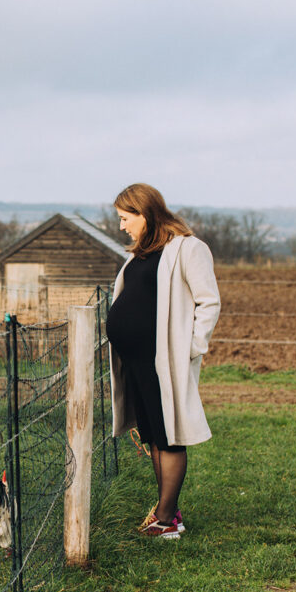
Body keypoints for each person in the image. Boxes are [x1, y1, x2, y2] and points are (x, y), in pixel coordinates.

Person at [105, 183, 220, 539]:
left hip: (162, 361)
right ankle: (166, 510)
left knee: (169, 435)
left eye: (126, 218)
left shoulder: (188, 249)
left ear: (145, 213)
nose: (123, 226)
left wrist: (188, 348)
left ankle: (167, 519)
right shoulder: (141, 253)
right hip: (137, 361)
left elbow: (209, 302)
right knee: (154, 432)